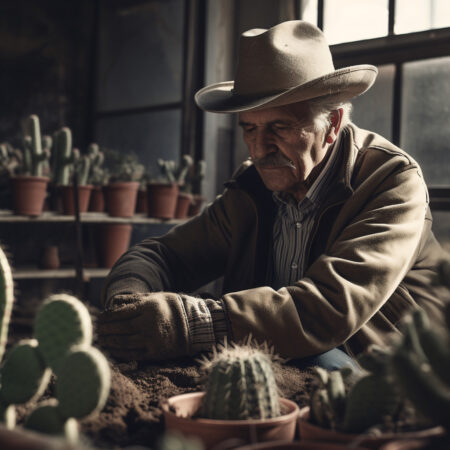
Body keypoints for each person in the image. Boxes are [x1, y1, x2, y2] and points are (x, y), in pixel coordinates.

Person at [97, 20, 445, 369]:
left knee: (313, 361)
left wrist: (193, 323)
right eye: (250, 128)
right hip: (281, 361)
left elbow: (328, 309)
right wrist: (129, 301)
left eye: (280, 127)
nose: (260, 148)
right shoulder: (251, 188)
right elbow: (165, 255)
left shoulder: (391, 182)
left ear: (333, 124)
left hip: (396, 374)